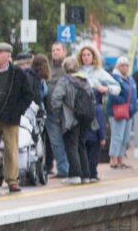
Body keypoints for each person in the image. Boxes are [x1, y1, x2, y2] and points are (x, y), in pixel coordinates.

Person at [0, 42, 34, 194]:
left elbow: (28, 95)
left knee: (11, 149)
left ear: (8, 56)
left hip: (10, 118)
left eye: (0, 52)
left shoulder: (18, 74)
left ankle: (12, 180)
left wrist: (17, 111)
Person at [49, 56, 94, 185]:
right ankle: (86, 176)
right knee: (82, 145)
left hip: (69, 119)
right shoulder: (85, 80)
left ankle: (74, 175)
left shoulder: (64, 81)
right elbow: (92, 99)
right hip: (85, 119)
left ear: (64, 68)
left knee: (71, 146)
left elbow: (56, 99)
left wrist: (58, 115)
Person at [78, 44, 118, 182]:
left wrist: (105, 88)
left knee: (96, 140)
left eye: (88, 54)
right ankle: (84, 172)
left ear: (93, 56)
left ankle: (92, 172)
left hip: (96, 109)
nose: (86, 57)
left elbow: (117, 88)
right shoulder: (77, 71)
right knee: (83, 141)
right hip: (80, 111)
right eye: (83, 55)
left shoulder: (100, 72)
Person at [45, 42, 69, 177]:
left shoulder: (69, 67)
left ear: (64, 51)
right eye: (53, 50)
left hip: (66, 112)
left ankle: (71, 167)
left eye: (58, 50)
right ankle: (62, 169)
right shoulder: (48, 68)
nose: (55, 52)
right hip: (50, 112)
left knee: (68, 141)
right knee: (55, 142)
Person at [108, 58, 136, 169]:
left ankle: (121, 159)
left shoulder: (130, 79)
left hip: (129, 112)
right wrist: (124, 102)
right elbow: (113, 94)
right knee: (117, 136)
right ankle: (113, 158)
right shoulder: (115, 78)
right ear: (118, 67)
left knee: (125, 137)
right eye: (122, 65)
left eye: (126, 65)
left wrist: (133, 107)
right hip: (118, 111)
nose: (125, 67)